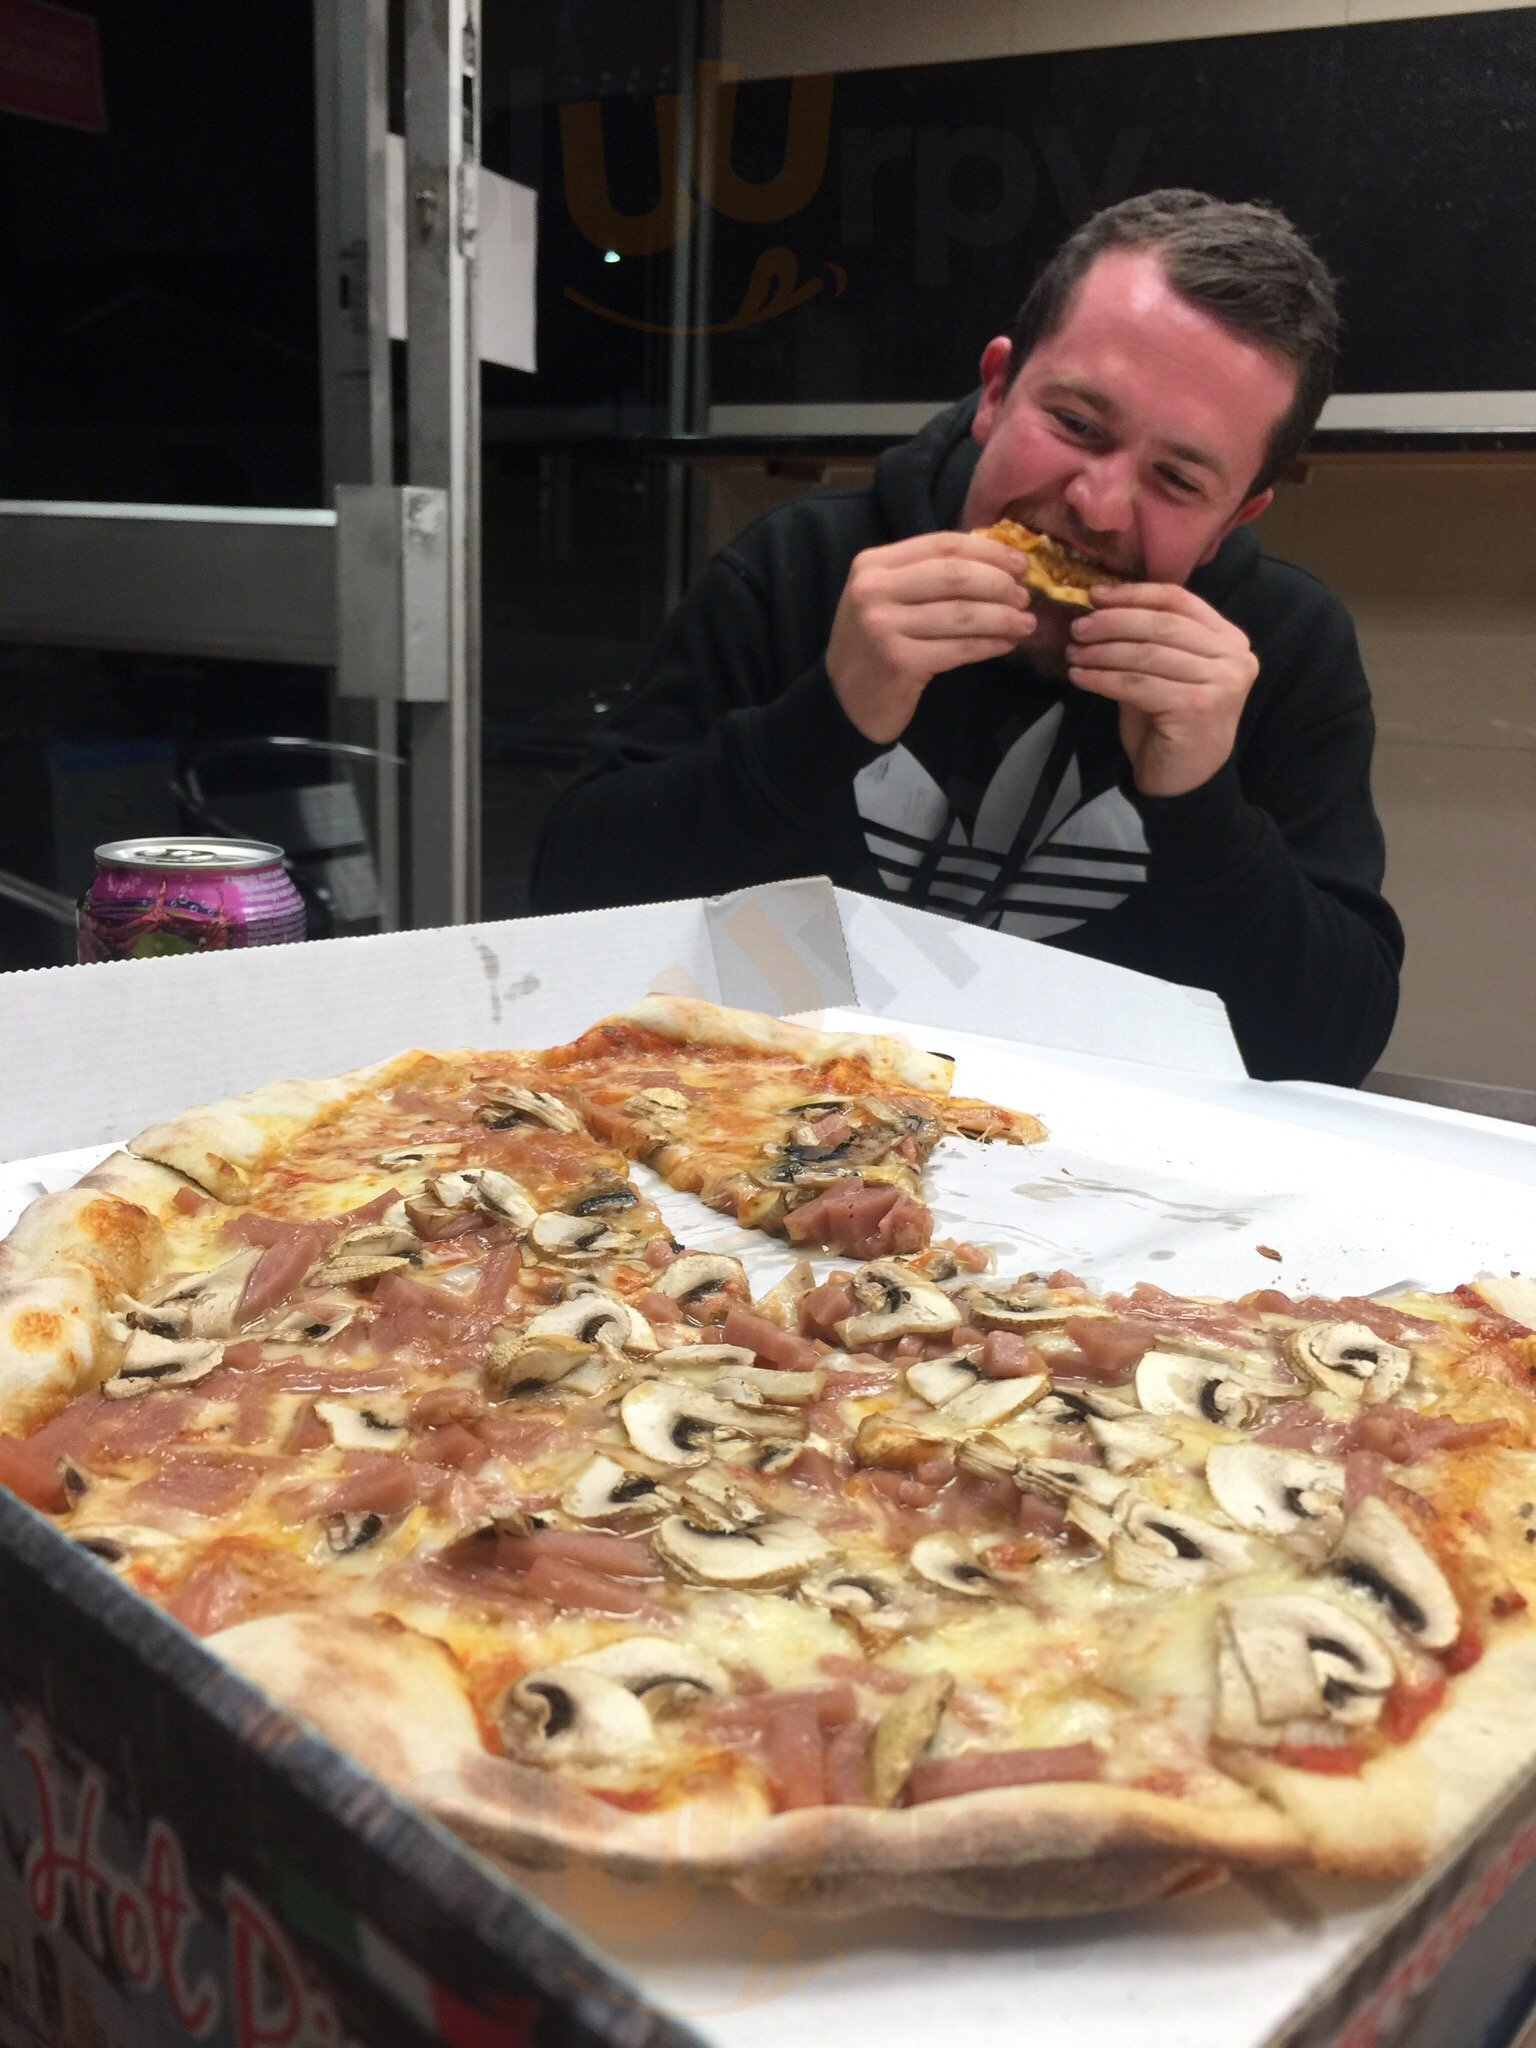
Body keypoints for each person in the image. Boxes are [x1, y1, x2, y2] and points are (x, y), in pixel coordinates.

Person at [531, 189, 1403, 1086]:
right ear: (995, 392)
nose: (1099, 506)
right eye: (1075, 424)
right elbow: (564, 914)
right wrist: (821, 723)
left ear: (1235, 518)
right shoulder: (803, 568)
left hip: (1113, 1149)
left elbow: (1328, 1052)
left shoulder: (1283, 649)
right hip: (758, 1122)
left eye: (1178, 479)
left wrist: (1203, 810)